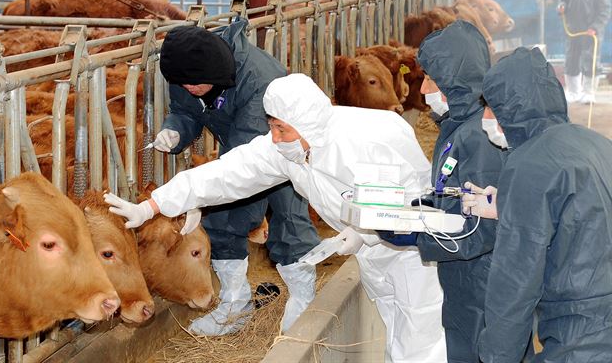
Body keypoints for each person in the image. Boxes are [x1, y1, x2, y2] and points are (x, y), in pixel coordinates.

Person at [106, 73, 447, 362]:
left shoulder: (368, 139)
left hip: (413, 254)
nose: (276, 138)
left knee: (423, 334)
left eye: (282, 129)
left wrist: (367, 231)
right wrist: (154, 205)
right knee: (394, 323)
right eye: (272, 128)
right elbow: (228, 174)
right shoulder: (287, 147)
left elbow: (406, 201)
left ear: (306, 123)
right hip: (373, 256)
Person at [153, 19, 320, 335]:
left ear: (216, 72)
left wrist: (204, 196)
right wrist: (175, 130)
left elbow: (247, 161)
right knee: (223, 217)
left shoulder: (257, 79)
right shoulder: (187, 69)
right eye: (182, 83)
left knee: (289, 215)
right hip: (237, 144)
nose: (188, 89)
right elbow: (187, 110)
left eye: (194, 84)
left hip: (281, 145)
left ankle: (305, 302)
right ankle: (235, 304)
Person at [461, 47, 612, 362]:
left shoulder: (527, 163)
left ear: (507, 110)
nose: (486, 119)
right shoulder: (594, 142)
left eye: (490, 109)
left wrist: (496, 356)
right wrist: (509, 205)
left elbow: (516, 280)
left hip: (581, 330)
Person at [410, 20, 506, 363]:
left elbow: (485, 227)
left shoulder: (479, 137)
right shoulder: (458, 128)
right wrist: (427, 207)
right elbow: (457, 195)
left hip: (482, 285)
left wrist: (419, 236)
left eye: (429, 79)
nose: (422, 90)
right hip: (466, 282)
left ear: (454, 79)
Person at [558, 0, 611, 103]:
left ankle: (589, 93)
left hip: (591, 33)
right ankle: (573, 92)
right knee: (571, 60)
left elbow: (605, 11)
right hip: (573, 32)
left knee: (591, 61)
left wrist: (595, 27)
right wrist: (561, 7)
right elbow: (563, 1)